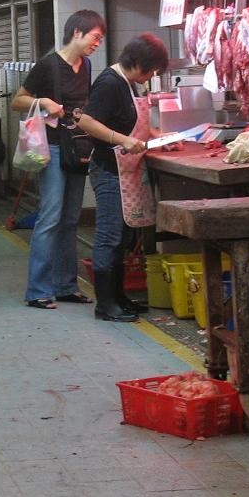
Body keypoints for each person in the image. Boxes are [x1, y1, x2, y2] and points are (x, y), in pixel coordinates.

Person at [12, 9, 106, 309]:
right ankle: (37, 290)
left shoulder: (87, 65)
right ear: (77, 32)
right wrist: (42, 102)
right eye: (95, 37)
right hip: (51, 148)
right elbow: (18, 100)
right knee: (50, 217)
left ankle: (66, 285)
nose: (97, 44)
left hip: (78, 150)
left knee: (70, 219)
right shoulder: (47, 65)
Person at [73, 34, 168, 322]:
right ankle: (105, 304)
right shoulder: (110, 83)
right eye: (151, 70)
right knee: (109, 236)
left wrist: (157, 136)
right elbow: (86, 121)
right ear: (139, 63)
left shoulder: (127, 84)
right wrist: (121, 140)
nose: (151, 76)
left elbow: (129, 122)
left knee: (124, 236)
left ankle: (119, 296)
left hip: (124, 170)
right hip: (109, 169)